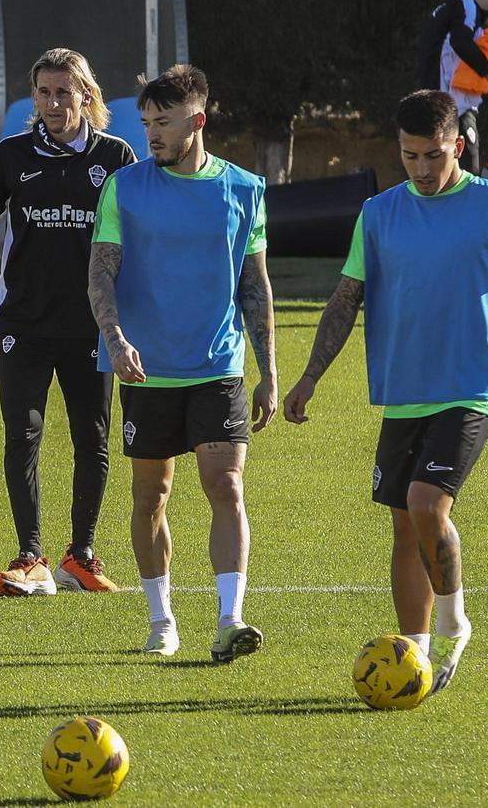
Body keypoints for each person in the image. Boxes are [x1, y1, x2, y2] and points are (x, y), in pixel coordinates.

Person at [283, 89, 488, 694]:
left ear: (457, 145)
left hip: (472, 385)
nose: (423, 169)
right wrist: (308, 376)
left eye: (434, 155)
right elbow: (345, 299)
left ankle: (456, 624)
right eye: (410, 157)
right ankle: (415, 653)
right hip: (403, 390)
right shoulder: (379, 214)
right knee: (404, 528)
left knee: (427, 504)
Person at [87, 64, 277, 663]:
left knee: (226, 485)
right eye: (146, 124)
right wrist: (115, 339)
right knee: (151, 495)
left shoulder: (244, 189)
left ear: (197, 121)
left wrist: (268, 369)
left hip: (219, 365)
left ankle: (229, 619)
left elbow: (255, 283)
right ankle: (161, 619)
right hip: (146, 369)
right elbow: (101, 270)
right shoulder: (125, 187)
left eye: (163, 123)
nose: (153, 135)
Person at [0, 48, 136, 596]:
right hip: (23, 320)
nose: (51, 102)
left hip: (92, 324)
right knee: (22, 435)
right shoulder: (13, 154)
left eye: (62, 92)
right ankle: (30, 556)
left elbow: (135, 234)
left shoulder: (116, 157)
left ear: (86, 96)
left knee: (92, 440)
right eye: (42, 92)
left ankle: (82, 555)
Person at [416, 0, 488, 174]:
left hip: (430, 101)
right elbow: (460, 42)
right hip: (448, 105)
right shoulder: (467, 5)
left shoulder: (447, 11)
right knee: (468, 169)